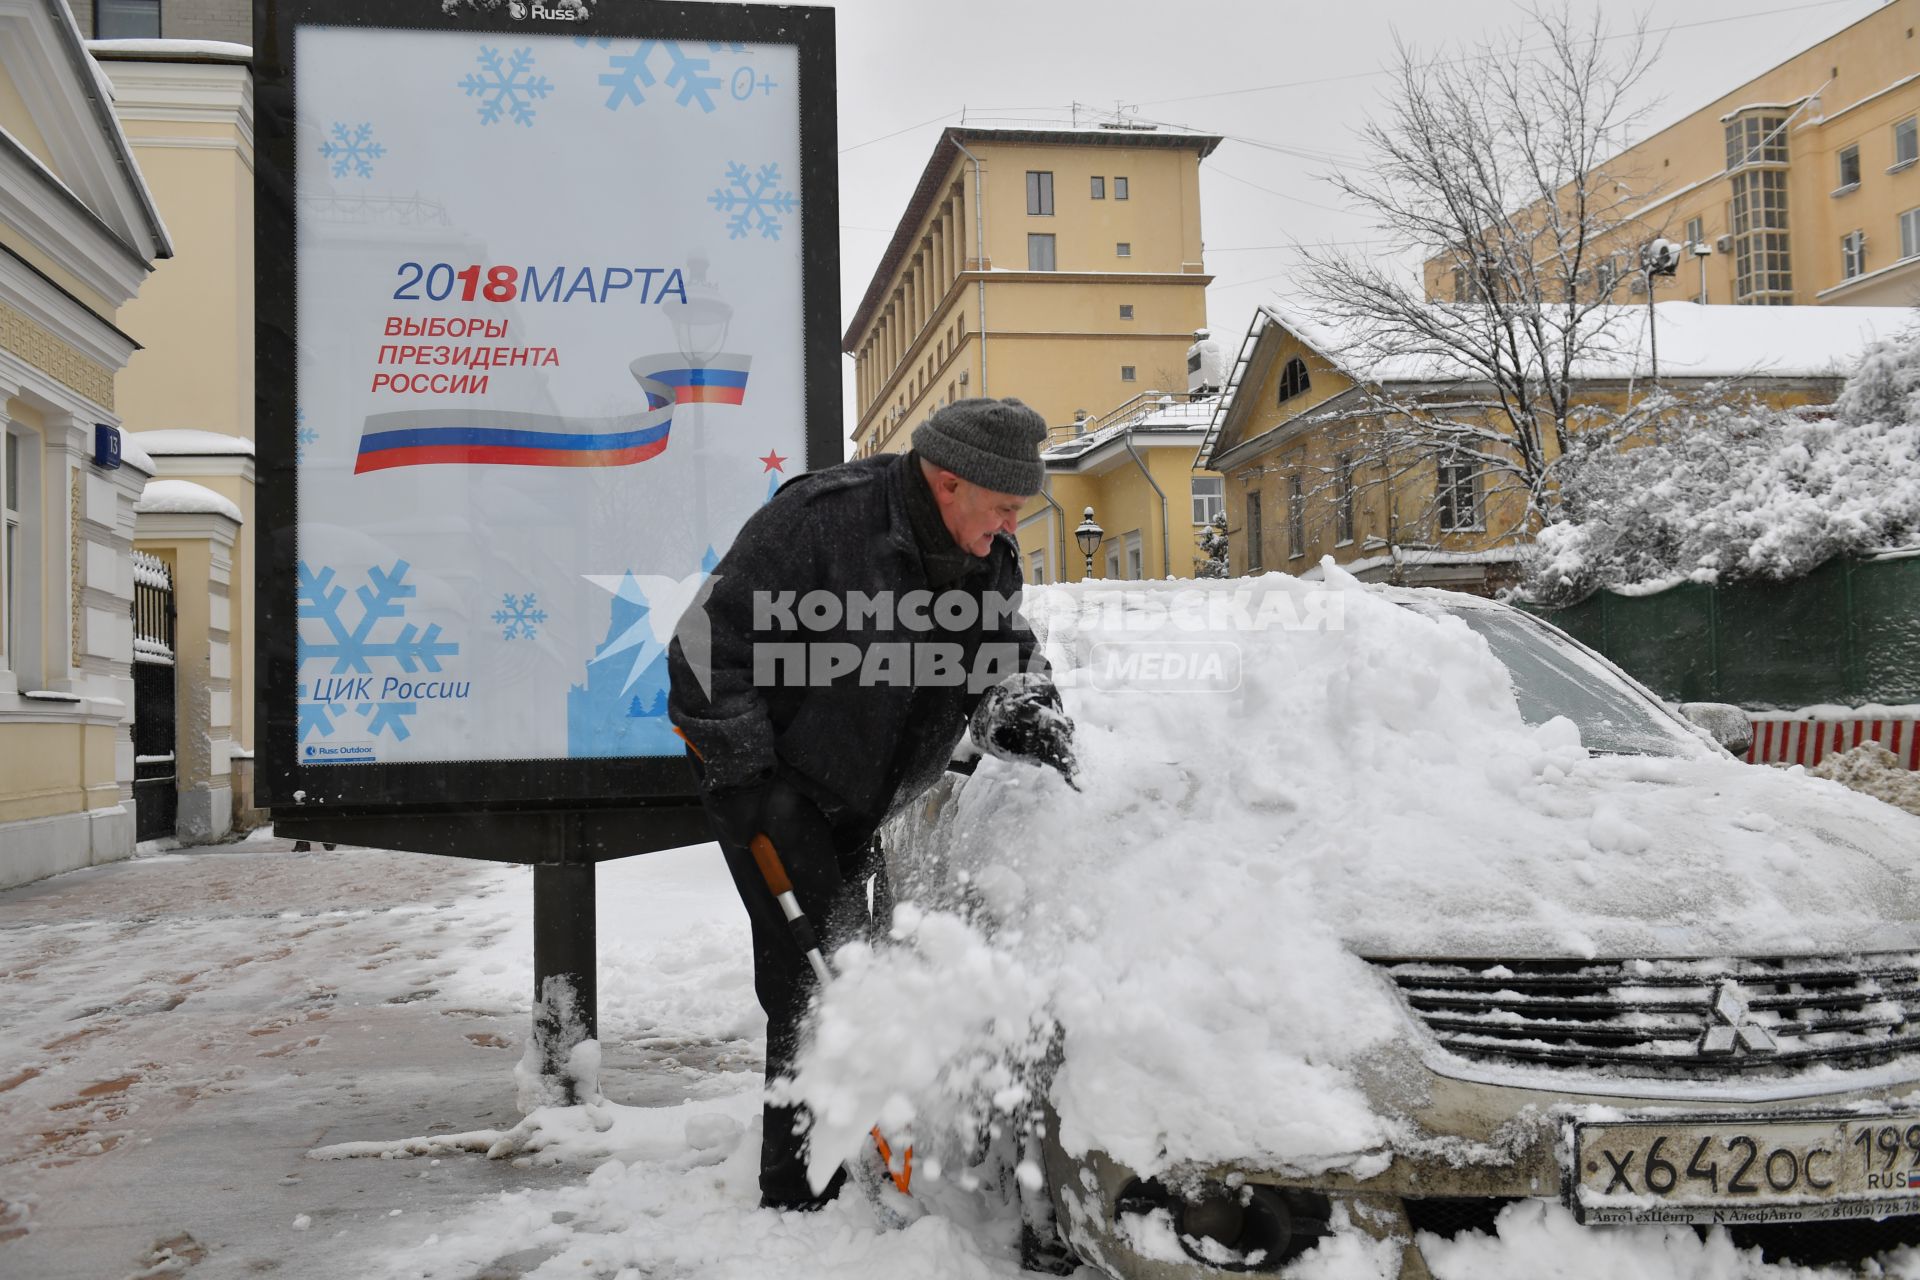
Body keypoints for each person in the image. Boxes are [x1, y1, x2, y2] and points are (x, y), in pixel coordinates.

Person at [667, 397, 1076, 1212]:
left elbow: (997, 646)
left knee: (854, 968)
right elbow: (704, 642)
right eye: (1001, 507)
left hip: (860, 795)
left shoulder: (981, 553)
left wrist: (1024, 707)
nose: (1008, 526)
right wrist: (748, 775)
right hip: (774, 788)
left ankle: (838, 1148)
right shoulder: (824, 520)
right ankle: (798, 1186)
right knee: (817, 978)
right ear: (948, 481)